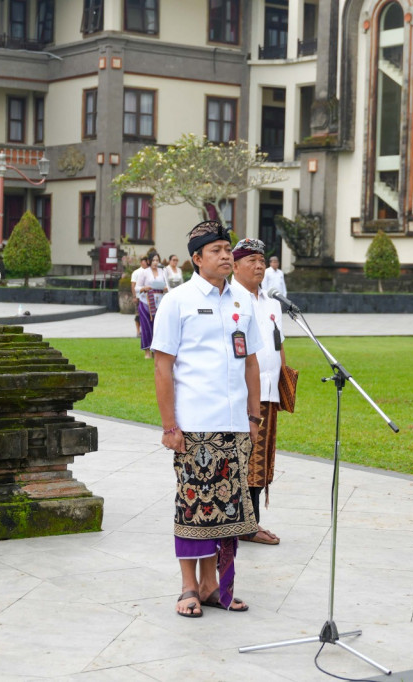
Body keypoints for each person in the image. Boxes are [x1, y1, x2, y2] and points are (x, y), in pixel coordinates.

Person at [151, 220, 263, 618]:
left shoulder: (242, 302)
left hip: (234, 424)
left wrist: (254, 416)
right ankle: (188, 586)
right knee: (194, 506)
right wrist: (170, 426)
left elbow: (251, 363)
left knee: (227, 509)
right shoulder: (177, 301)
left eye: (227, 249)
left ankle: (213, 586)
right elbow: (162, 367)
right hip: (195, 424)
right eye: (216, 250)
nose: (225, 255)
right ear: (197, 259)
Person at [230, 239, 286, 546]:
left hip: (269, 392)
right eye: (251, 260)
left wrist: (284, 381)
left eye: (262, 260)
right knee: (243, 459)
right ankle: (243, 523)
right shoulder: (229, 300)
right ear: (235, 266)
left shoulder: (272, 302)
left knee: (262, 460)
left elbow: (279, 345)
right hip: (241, 392)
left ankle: (251, 522)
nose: (259, 266)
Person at [137, 254, 168, 360]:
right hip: (146, 302)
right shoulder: (144, 272)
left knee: (158, 327)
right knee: (146, 327)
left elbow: (167, 285)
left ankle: (156, 350)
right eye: (153, 260)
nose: (155, 262)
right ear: (149, 261)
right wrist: (144, 288)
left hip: (159, 302)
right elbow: (137, 287)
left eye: (157, 260)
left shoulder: (162, 272)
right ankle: (147, 351)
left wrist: (165, 288)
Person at [130, 256, 149, 338]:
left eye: (146, 261)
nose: (146, 263)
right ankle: (138, 331)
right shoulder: (136, 272)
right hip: (139, 297)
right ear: (141, 262)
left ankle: (146, 331)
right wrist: (134, 296)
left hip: (148, 297)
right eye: (144, 261)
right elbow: (133, 285)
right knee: (138, 315)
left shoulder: (150, 271)